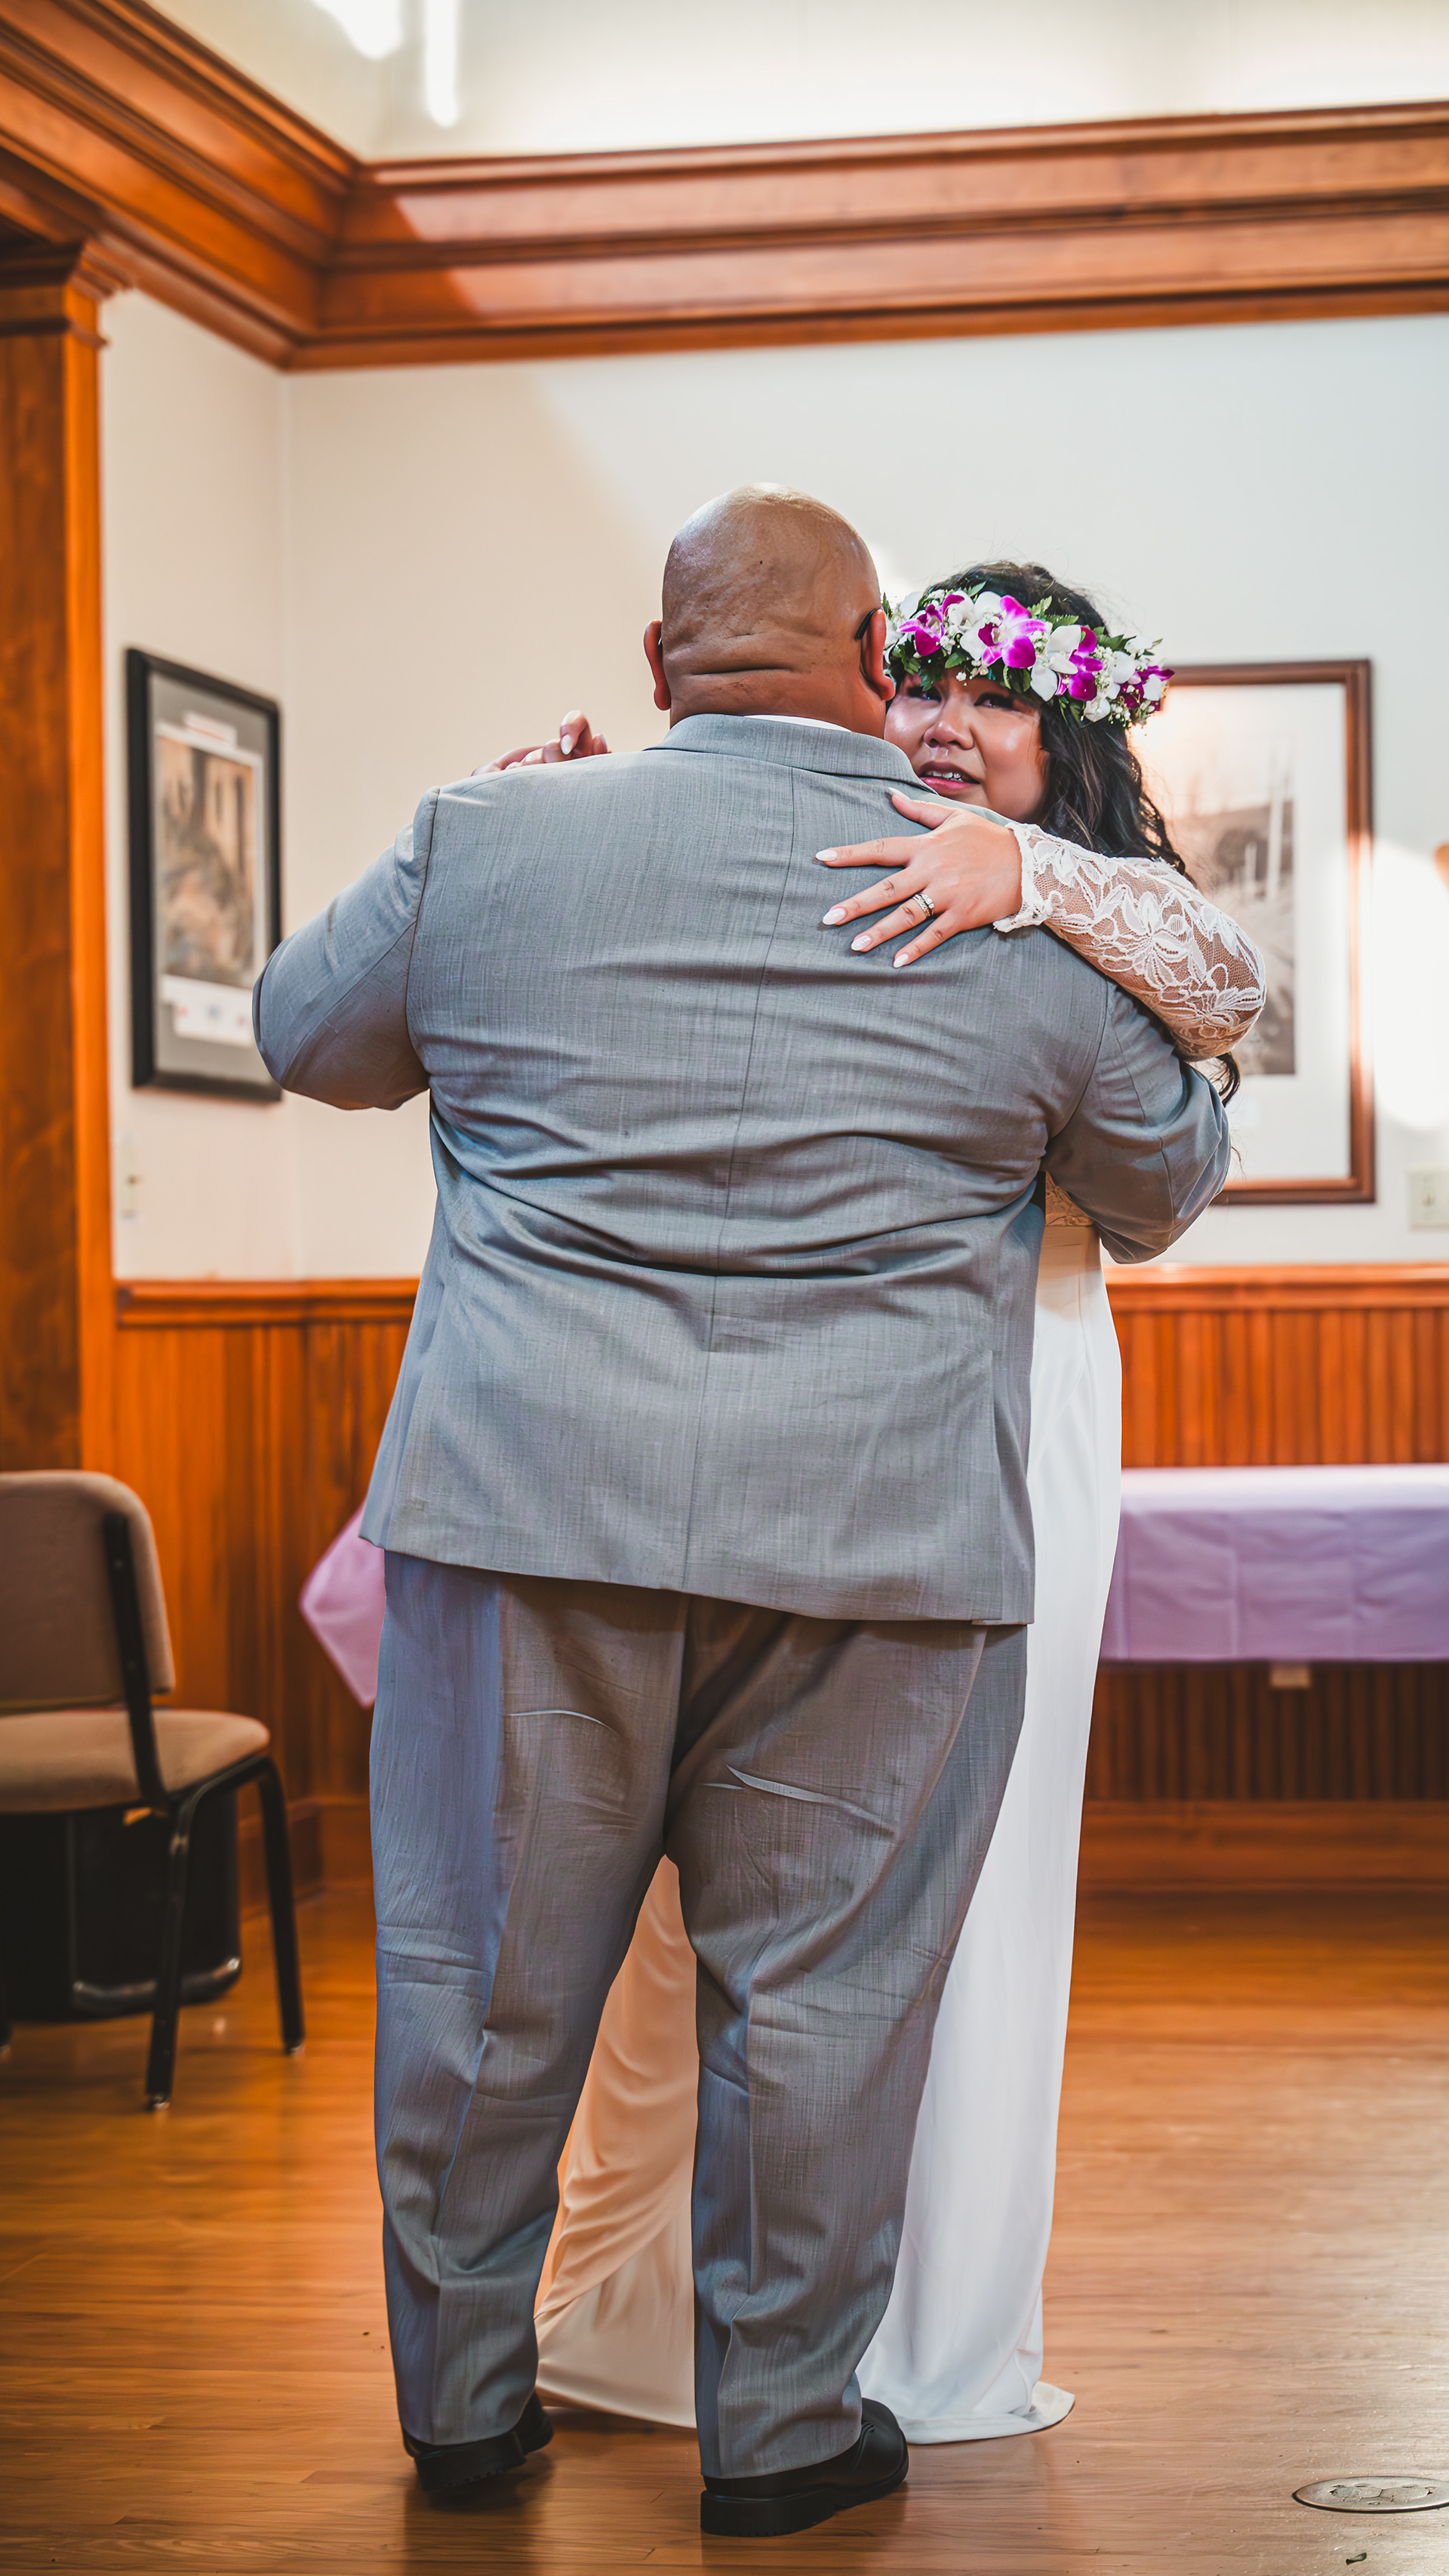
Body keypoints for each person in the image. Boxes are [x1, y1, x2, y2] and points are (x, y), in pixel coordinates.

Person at [254, 491, 1229, 2541]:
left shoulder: (488, 835)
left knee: (485, 1982)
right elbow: (1158, 1183)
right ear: (880, 657)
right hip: (881, 1553)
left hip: (528, 1521)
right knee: (826, 2002)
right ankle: (781, 2428)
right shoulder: (994, 909)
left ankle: (462, 2405)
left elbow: (299, 1037)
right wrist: (1060, 901)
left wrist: (476, 837)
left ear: (652, 658)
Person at [512, 566, 1265, 2442]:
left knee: (973, 1860)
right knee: (701, 1889)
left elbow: (1226, 1005)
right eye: (912, 682)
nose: (938, 722)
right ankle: (656, 2317)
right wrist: (563, 825)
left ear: (1063, 737)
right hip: (753, 1428)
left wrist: (1045, 885)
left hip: (1012, 1419)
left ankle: (914, 2332)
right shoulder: (813, 857)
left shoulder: (1082, 909)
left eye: (989, 701)